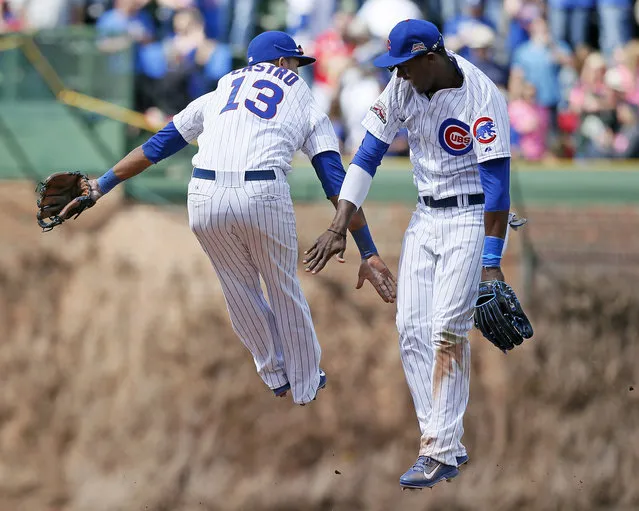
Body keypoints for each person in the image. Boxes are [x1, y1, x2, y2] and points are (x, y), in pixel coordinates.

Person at [84, 31, 397, 406]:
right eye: (295, 62)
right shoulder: (302, 96)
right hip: (261, 193)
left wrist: (100, 185)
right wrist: (367, 250)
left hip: (203, 195)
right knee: (283, 287)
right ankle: (305, 380)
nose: (298, 70)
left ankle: (273, 372)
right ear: (282, 62)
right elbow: (335, 181)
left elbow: (158, 145)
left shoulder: (220, 90)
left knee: (237, 287)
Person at [303, 19, 516, 487]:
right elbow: (366, 157)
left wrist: (492, 259)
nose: (397, 73)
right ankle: (442, 445)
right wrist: (339, 224)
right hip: (426, 215)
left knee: (447, 327)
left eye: (405, 64)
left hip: (469, 215)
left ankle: (439, 449)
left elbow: (498, 187)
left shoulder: (481, 96)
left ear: (431, 58)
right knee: (410, 327)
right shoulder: (402, 88)